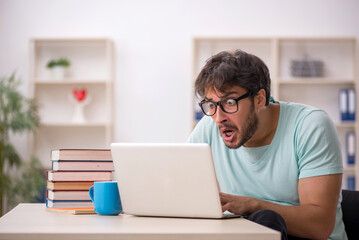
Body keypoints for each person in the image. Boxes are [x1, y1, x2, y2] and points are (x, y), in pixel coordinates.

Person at [187, 49, 347, 240]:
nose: (219, 118)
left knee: (266, 219)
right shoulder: (209, 127)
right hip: (243, 236)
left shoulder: (310, 126)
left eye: (229, 102)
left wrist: (253, 205)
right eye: (211, 105)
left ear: (259, 99)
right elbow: (182, 191)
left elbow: (320, 226)